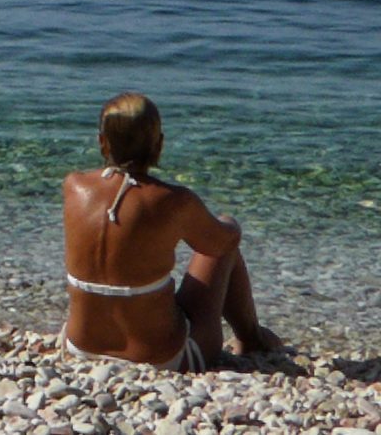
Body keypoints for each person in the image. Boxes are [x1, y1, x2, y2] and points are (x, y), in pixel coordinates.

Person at [61, 93, 281, 371]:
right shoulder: (173, 201)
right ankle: (251, 337)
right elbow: (222, 243)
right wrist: (231, 226)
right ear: (159, 144)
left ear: (102, 141)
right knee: (225, 235)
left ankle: (252, 337)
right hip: (164, 357)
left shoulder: (73, 187)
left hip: (81, 347)